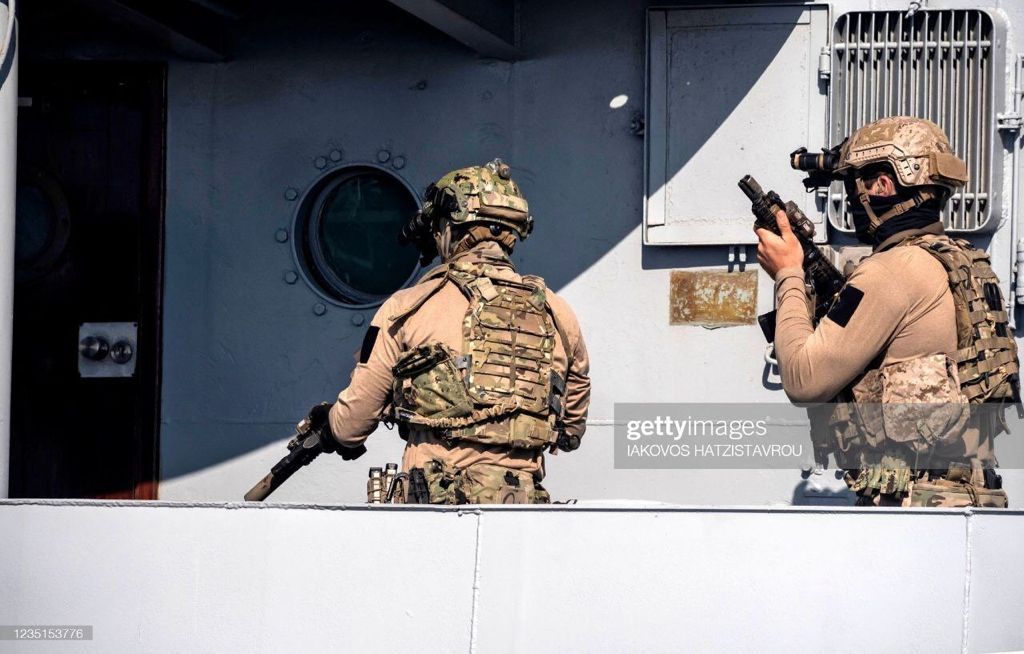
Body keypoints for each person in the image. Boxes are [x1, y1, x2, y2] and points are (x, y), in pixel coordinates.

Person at [756, 116, 1017, 507]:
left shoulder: (890, 270)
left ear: (881, 186)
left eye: (854, 183)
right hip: (970, 498)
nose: (852, 199)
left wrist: (788, 272)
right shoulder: (964, 263)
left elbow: (803, 380)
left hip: (911, 508)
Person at [312, 158, 590, 504]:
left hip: (434, 513)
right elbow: (570, 430)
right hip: (523, 513)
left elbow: (350, 427)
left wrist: (330, 424)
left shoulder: (407, 307)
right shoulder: (558, 314)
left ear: (448, 228)